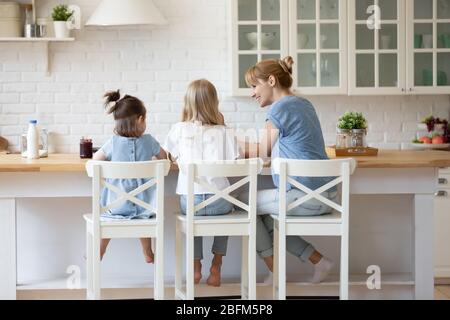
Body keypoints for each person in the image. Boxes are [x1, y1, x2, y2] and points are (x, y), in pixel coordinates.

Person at [242, 56, 337, 283]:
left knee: (242, 204)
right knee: (264, 218)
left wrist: (223, 143)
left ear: (271, 81)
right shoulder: (303, 103)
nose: (252, 93)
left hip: (302, 197)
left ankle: (277, 273)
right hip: (327, 195)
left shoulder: (280, 108)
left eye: (254, 86)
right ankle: (319, 262)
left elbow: (261, 150)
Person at [163, 79, 240, 287]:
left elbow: (165, 155)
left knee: (193, 218)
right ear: (214, 103)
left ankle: (196, 268)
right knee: (228, 210)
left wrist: (177, 158)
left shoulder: (179, 129)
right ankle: (216, 265)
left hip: (192, 202)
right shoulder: (224, 131)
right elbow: (235, 160)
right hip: (220, 202)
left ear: (187, 103)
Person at [93, 90, 167, 263]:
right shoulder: (149, 141)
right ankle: (147, 251)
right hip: (146, 207)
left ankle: (100, 250)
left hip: (116, 207)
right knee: (143, 216)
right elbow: (164, 159)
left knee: (107, 218)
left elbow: (95, 162)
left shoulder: (112, 142)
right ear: (141, 119)